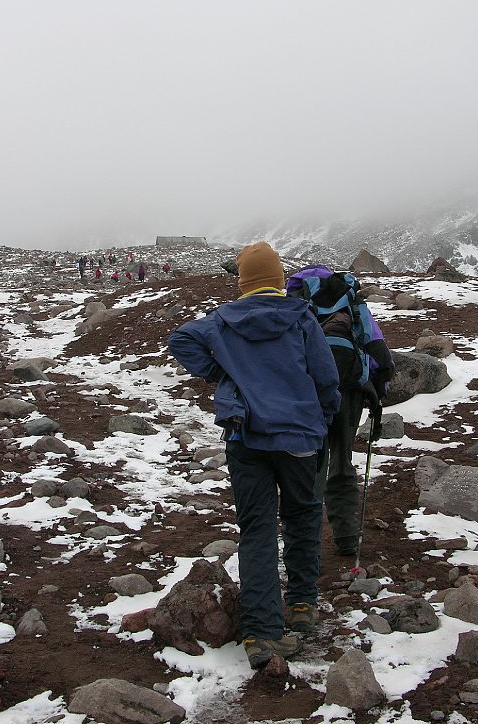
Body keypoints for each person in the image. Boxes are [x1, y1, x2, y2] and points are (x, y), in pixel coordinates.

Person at [169, 242, 340, 669]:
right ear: (280, 278)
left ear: (243, 281)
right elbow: (326, 379)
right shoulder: (302, 318)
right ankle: (302, 605)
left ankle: (261, 633)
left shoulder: (222, 321)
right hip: (300, 439)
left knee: (257, 529)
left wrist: (224, 371)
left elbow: (181, 339)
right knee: (302, 515)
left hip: (246, 440)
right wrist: (323, 421)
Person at [287, 266, 394, 557]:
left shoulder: (297, 299)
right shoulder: (353, 302)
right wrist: (377, 388)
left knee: (312, 462)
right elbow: (376, 348)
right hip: (350, 392)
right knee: (342, 460)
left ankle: (305, 540)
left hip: (312, 393)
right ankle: (346, 536)